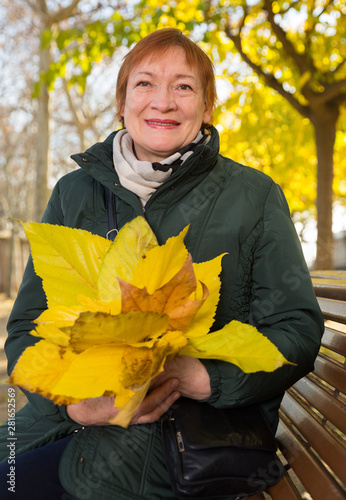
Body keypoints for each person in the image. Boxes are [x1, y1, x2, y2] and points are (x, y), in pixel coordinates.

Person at [0, 28, 323, 499]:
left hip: (183, 450)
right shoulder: (74, 193)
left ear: (207, 106)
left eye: (184, 86)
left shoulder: (253, 196)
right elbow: (27, 326)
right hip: (69, 427)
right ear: (123, 101)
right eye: (145, 83)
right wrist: (74, 407)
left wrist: (203, 377)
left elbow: (295, 329)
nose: (163, 102)